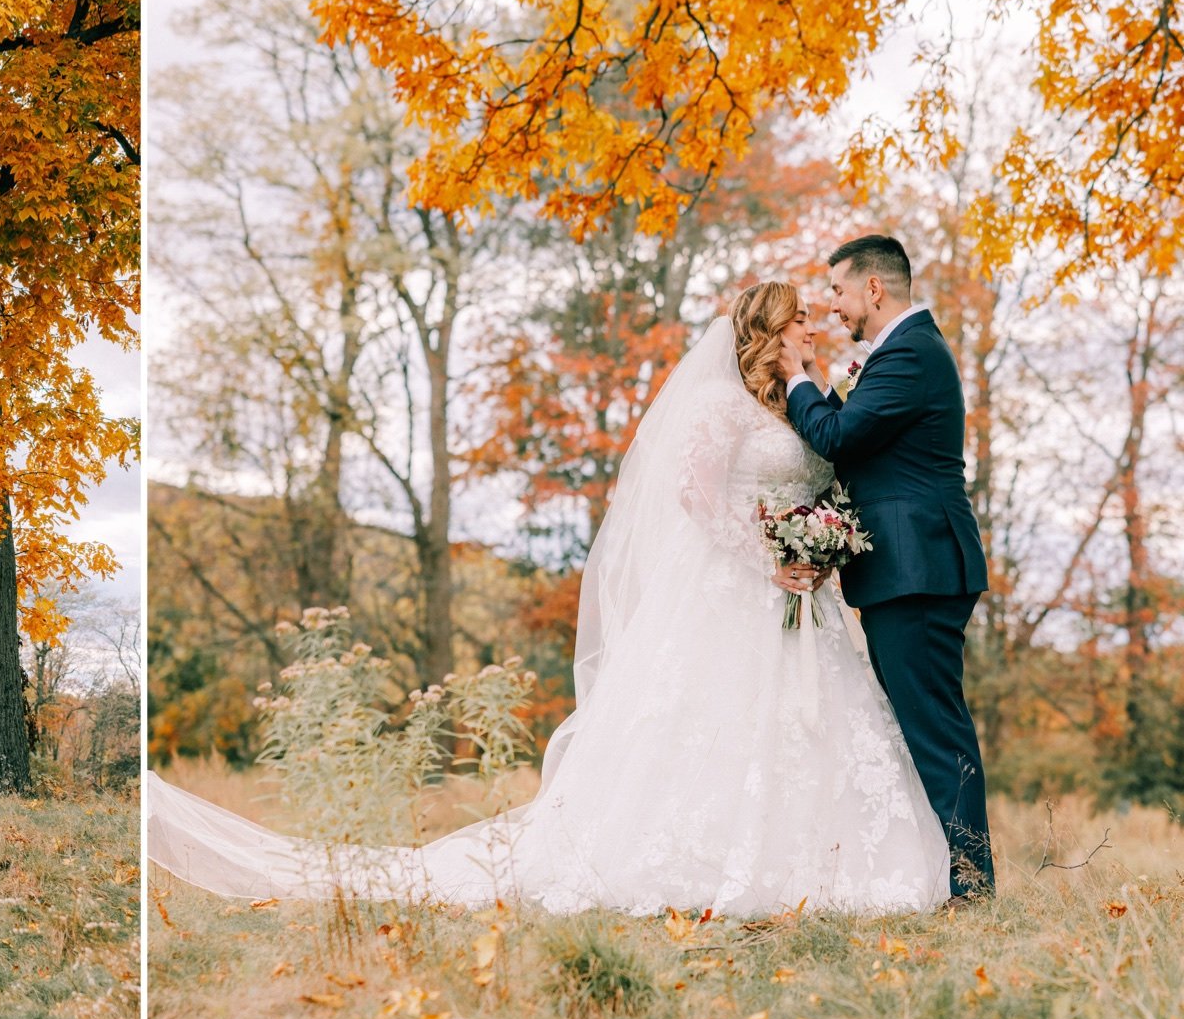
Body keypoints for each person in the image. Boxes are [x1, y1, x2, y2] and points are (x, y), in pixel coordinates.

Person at [148, 283, 952, 915]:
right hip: (735, 592)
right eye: (801, 323)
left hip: (797, 604)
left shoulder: (800, 407)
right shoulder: (718, 404)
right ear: (769, 332)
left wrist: (812, 542)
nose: (814, 330)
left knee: (808, 729)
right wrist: (764, 556)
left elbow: (827, 469)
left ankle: (824, 861)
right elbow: (692, 495)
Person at [782, 234, 993, 900]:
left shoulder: (911, 353)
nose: (834, 305)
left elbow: (838, 437)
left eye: (840, 290)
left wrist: (797, 378)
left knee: (934, 727)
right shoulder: (898, 355)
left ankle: (970, 886)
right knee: (925, 723)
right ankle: (953, 878)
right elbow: (864, 458)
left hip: (919, 568)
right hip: (909, 567)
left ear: (875, 288)